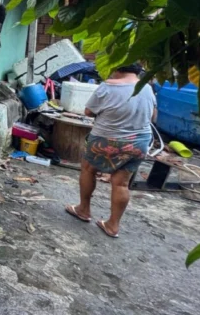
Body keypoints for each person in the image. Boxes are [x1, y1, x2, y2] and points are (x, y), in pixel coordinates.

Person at [65, 64, 157, 238]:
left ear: (118, 68)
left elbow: (88, 111)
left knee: (88, 168)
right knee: (121, 182)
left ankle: (83, 210)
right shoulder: (147, 88)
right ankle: (113, 225)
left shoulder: (108, 86)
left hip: (106, 139)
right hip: (140, 142)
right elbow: (153, 117)